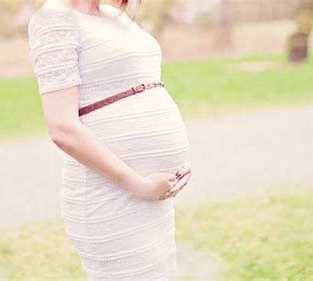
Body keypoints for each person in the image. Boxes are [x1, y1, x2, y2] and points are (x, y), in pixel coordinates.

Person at [27, 0, 192, 279]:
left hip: (153, 191)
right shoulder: (55, 19)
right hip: (111, 194)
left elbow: (140, 85)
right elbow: (62, 127)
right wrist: (138, 184)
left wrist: (176, 160)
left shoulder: (114, 16)